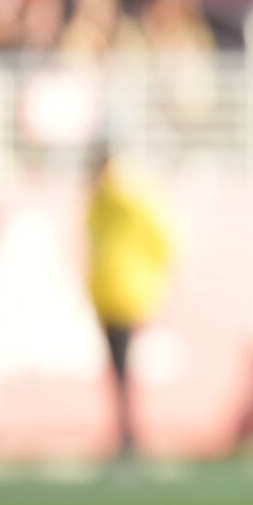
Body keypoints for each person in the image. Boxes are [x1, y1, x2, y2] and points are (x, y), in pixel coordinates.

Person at [84, 144, 176, 459]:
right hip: (115, 293)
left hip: (123, 293)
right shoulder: (113, 198)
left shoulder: (122, 197)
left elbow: (162, 237)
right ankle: (126, 435)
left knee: (124, 370)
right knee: (120, 371)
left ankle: (129, 438)